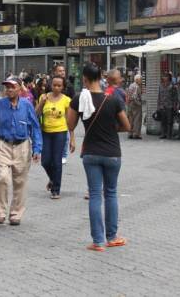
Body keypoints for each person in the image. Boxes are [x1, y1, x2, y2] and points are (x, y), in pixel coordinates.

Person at [67, 62, 131, 252]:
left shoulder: (80, 98)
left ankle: (98, 241)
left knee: (95, 194)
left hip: (91, 153)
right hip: (112, 153)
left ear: (84, 78)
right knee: (110, 193)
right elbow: (127, 126)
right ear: (101, 77)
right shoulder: (112, 99)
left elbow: (70, 125)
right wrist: (112, 129)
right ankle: (112, 237)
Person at [0, 77, 42, 226]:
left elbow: (35, 127)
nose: (9, 89)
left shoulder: (27, 105)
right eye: (7, 87)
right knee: (2, 178)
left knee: (20, 181)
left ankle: (16, 214)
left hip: (22, 146)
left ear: (19, 89)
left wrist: (37, 148)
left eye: (12, 87)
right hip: (4, 145)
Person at [35, 76, 75, 199]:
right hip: (45, 132)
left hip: (60, 132)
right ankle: (53, 179)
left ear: (63, 87)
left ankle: (56, 190)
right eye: (54, 85)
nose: (56, 87)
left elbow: (70, 121)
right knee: (45, 161)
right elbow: (36, 113)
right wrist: (42, 103)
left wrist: (72, 138)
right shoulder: (43, 97)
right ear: (51, 85)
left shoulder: (67, 100)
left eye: (59, 85)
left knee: (57, 161)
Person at [157, 72, 177, 139]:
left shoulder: (172, 85)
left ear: (169, 77)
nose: (164, 77)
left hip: (170, 105)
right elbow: (159, 96)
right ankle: (163, 134)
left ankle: (169, 134)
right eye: (163, 76)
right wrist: (158, 106)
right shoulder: (160, 85)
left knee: (169, 121)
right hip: (162, 106)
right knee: (163, 121)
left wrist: (175, 105)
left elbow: (175, 96)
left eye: (166, 76)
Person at [126, 74, 143, 139]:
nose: (141, 81)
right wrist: (139, 103)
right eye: (140, 79)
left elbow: (128, 95)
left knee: (131, 119)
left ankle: (130, 133)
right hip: (135, 105)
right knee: (137, 119)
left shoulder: (131, 85)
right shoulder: (137, 87)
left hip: (130, 105)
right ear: (137, 80)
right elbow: (135, 96)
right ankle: (136, 134)